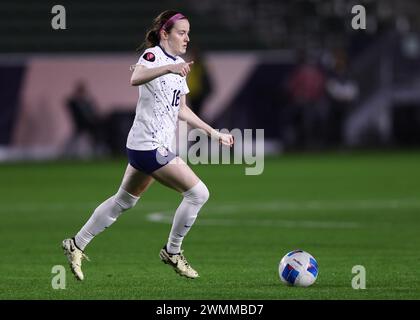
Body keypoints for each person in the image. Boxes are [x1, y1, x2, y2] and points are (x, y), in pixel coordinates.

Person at [62, 10, 234, 280]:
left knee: (123, 201)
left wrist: (214, 132)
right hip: (149, 146)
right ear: (165, 33)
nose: (187, 38)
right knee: (198, 194)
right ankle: (172, 251)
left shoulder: (179, 65)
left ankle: (76, 243)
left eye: (188, 33)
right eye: (181, 32)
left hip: (146, 145)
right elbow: (136, 77)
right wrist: (169, 67)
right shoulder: (153, 56)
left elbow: (182, 110)